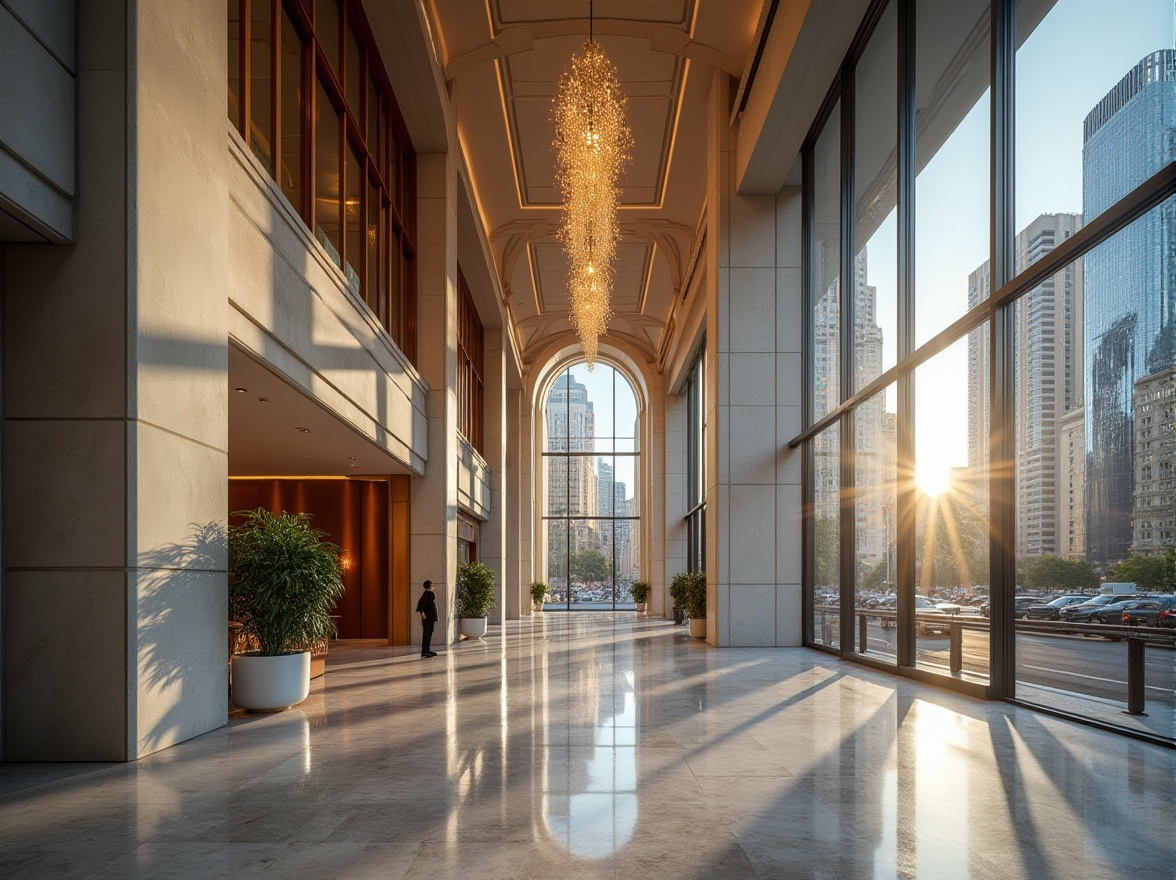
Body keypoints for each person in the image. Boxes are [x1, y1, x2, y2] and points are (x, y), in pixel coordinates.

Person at [416, 580, 438, 658]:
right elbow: (422, 605)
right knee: (428, 634)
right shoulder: (430, 594)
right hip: (429, 618)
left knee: (426, 634)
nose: (433, 587)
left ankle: (425, 651)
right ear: (430, 586)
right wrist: (423, 614)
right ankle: (426, 651)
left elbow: (420, 605)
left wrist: (422, 613)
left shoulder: (425, 594)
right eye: (432, 585)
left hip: (427, 618)